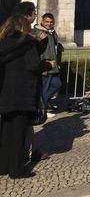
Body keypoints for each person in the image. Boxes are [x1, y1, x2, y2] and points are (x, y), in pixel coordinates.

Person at [0, 14, 54, 179]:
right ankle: (16, 170)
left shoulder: (3, 43)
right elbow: (33, 65)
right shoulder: (27, 43)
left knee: (6, 132)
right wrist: (48, 64)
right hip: (23, 92)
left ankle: (3, 166)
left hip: (5, 92)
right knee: (19, 133)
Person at [34, 13, 62, 117]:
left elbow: (53, 48)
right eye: (46, 22)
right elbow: (38, 51)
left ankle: (42, 106)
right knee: (45, 88)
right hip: (45, 65)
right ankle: (42, 109)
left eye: (51, 22)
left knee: (57, 84)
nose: (49, 24)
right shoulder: (39, 32)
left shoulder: (52, 33)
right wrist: (42, 67)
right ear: (42, 21)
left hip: (53, 65)